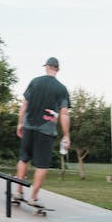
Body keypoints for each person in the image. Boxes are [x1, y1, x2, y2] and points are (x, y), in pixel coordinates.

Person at [15, 57, 70, 205]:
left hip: (28, 127)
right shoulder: (61, 89)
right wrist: (66, 135)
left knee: (24, 158)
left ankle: (18, 191)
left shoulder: (35, 82)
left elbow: (24, 105)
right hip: (46, 131)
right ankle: (33, 197)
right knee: (42, 165)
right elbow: (64, 114)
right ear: (57, 69)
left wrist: (20, 124)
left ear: (46, 67)